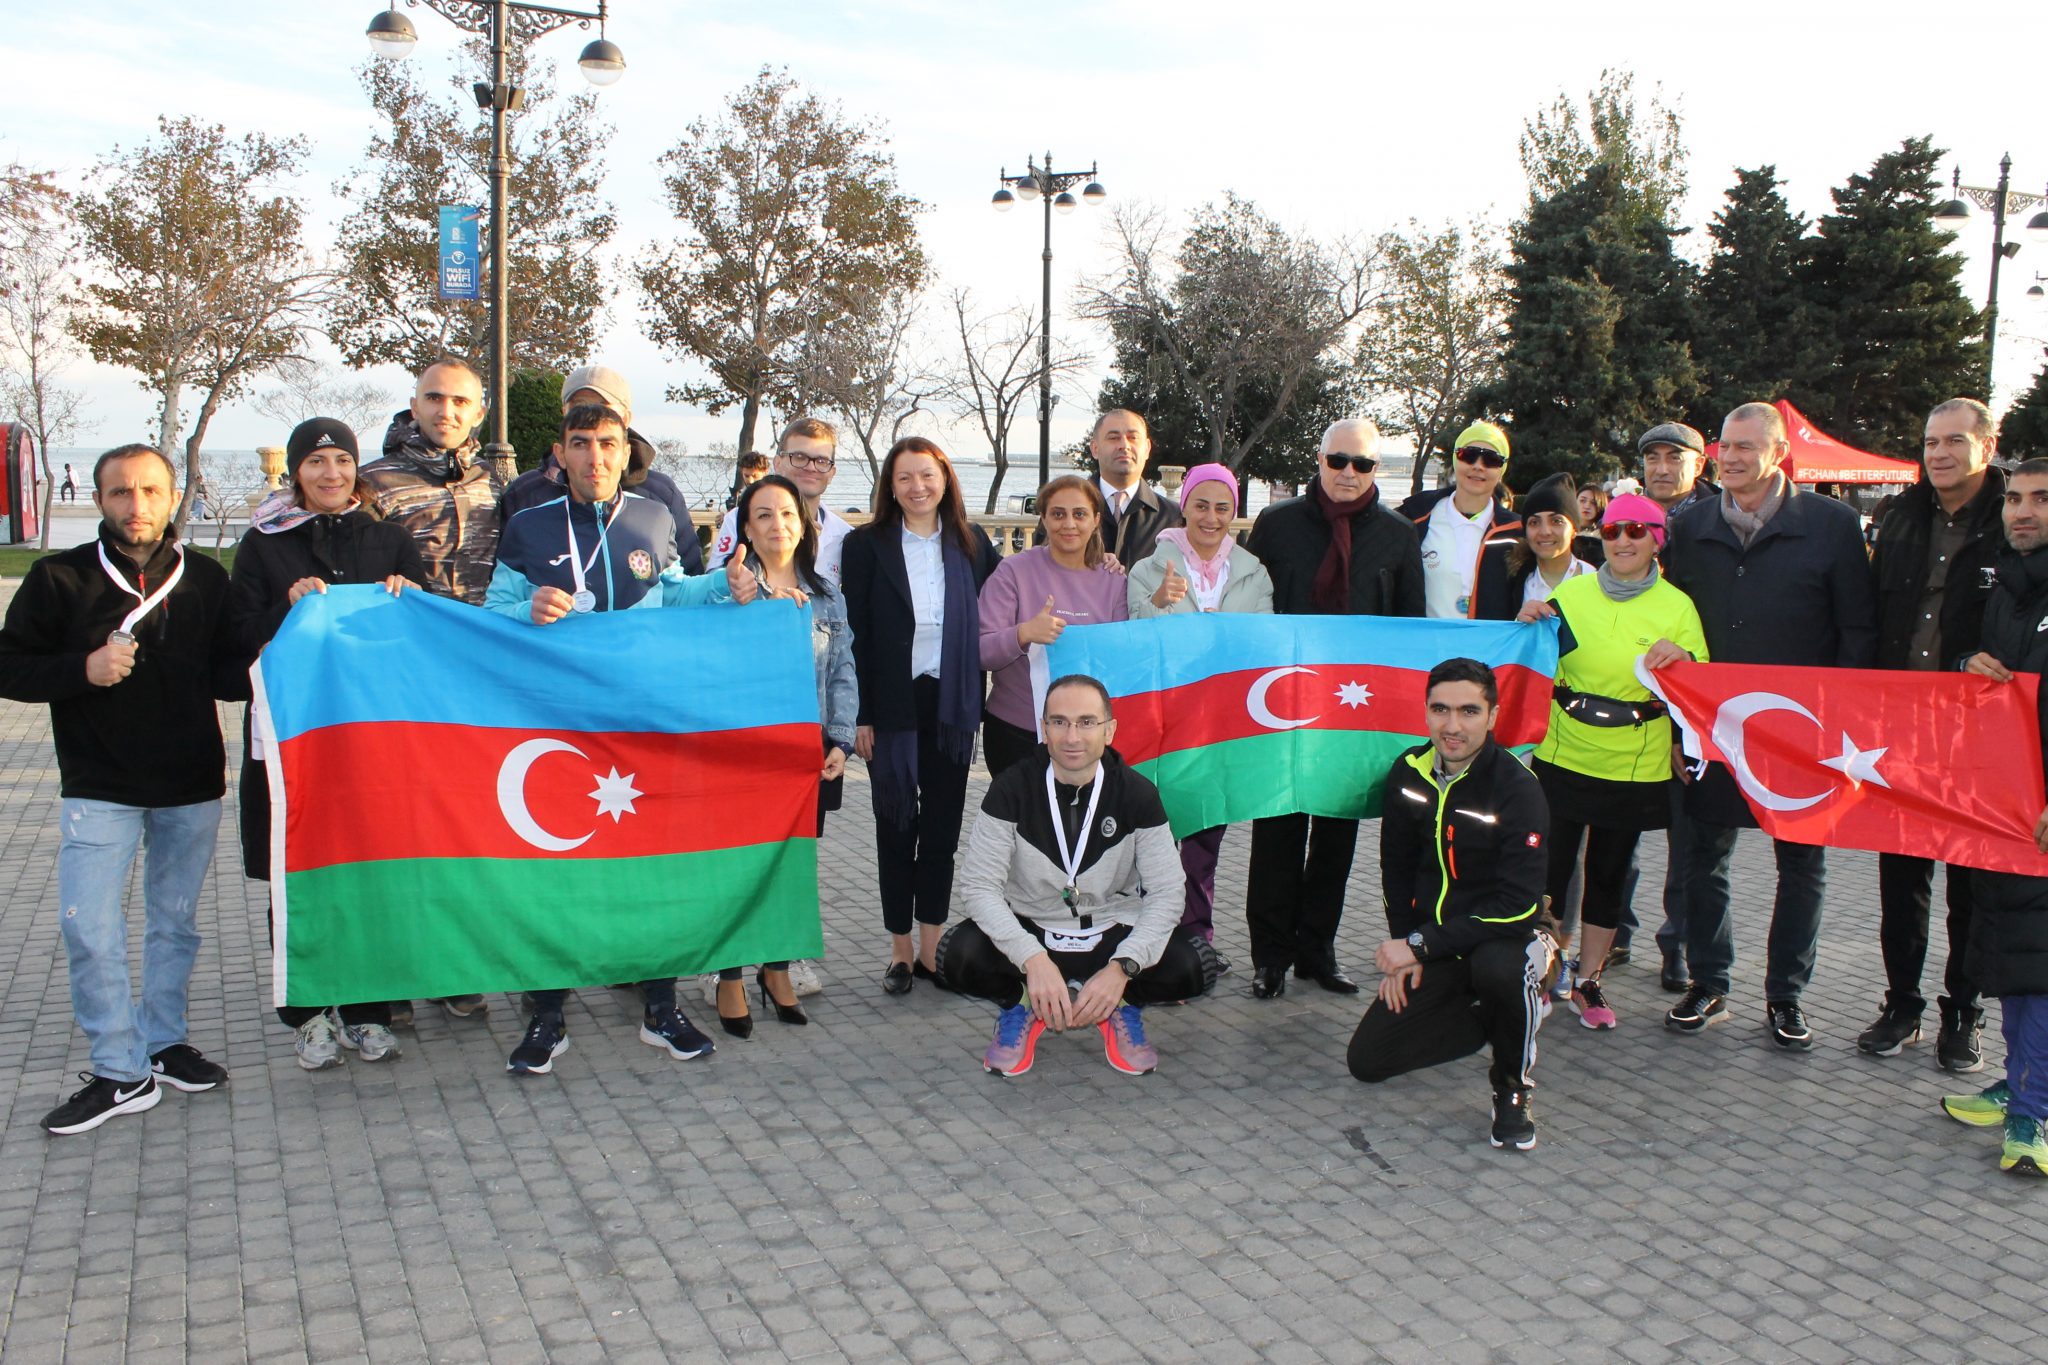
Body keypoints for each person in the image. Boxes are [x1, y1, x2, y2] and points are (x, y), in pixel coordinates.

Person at [485, 403, 741, 1076]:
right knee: (554, 866)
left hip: (639, 723)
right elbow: (491, 611)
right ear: (560, 453)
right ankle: (547, 1014)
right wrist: (525, 609)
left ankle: (661, 1007)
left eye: (607, 444)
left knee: (651, 866)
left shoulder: (654, 517)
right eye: (581, 443)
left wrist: (726, 585)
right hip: (558, 722)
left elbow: (675, 594)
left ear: (626, 452)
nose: (595, 457)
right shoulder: (528, 523)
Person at [0, 444, 245, 1134]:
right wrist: (82, 668)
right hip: (98, 784)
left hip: (190, 780)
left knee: (175, 922)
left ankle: (163, 1041)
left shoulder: (205, 577)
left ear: (174, 497)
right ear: (98, 499)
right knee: (88, 925)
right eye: (120, 492)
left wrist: (292, 637)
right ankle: (119, 1069)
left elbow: (228, 672)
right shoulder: (58, 577)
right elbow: (8, 665)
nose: (136, 505)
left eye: (150, 491)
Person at [1663, 401, 1877, 1048]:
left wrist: (1841, 728)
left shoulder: (1832, 524)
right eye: (1724, 446)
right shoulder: (1691, 524)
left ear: (1780, 454)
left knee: (1802, 865)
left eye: (1745, 447)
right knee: (1704, 859)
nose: (1729, 458)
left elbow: (1857, 629)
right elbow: (1671, 623)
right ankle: (1708, 982)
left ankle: (1786, 995)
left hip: (1802, 731)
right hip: (1714, 728)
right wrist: (1678, 727)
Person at [227, 418, 426, 1069]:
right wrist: (285, 611)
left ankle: (367, 1012)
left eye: (342, 459)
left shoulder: (390, 540)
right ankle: (308, 1015)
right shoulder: (263, 545)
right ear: (296, 472)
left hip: (369, 744)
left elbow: (422, 641)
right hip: (293, 743)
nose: (331, 473)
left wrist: (412, 601)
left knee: (369, 872)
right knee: (295, 877)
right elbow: (235, 639)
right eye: (316, 462)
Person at [941, 674, 1212, 1077]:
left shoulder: (1138, 794)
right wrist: (1031, 958)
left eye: (1086, 722)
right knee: (955, 954)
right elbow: (979, 886)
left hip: (1110, 932)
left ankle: (1119, 1004)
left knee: (1196, 964)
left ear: (1109, 730)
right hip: (1033, 929)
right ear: (1044, 729)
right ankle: (1021, 1003)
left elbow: (1168, 892)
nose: (1072, 736)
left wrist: (1124, 967)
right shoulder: (1010, 789)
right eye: (1059, 722)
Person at [1243, 419, 1425, 998]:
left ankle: (1317, 951)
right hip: (1282, 702)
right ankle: (1270, 957)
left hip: (1355, 712)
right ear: (1319, 460)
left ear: (1377, 469)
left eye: (1362, 464)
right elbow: (1244, 607)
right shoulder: (1276, 525)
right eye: (1338, 460)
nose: (1349, 473)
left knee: (1337, 838)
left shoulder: (1398, 536)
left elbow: (1411, 629)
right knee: (1277, 830)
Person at [1347, 658, 1555, 1150]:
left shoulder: (1517, 787)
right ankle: (1497, 1015)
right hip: (1437, 943)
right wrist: (1406, 946)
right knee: (1369, 1062)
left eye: (1468, 711)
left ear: (1492, 715)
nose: (1452, 725)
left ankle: (1512, 1086)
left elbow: (1519, 904)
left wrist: (1420, 945)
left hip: (1510, 935)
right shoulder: (1408, 771)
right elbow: (1396, 871)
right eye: (1440, 709)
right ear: (1425, 711)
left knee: (1499, 969)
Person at [1520, 495, 1706, 1030]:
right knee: (1549, 872)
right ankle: (1544, 973)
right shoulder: (1571, 593)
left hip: (1633, 761)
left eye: (1636, 531)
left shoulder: (1678, 606)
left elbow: (1699, 685)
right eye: (1612, 531)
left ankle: (1588, 979)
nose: (1623, 541)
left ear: (1657, 540)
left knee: (1608, 875)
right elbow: (1533, 657)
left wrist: (1685, 659)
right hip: (1562, 754)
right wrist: (1527, 621)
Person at [1858, 398, 2005, 1068]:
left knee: (1969, 885)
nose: (1939, 453)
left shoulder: (2011, 518)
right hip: (1901, 728)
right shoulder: (1901, 514)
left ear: (1986, 446)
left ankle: (1963, 1012)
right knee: (1901, 878)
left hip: (1978, 733)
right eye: (1929, 442)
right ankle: (1901, 1005)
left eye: (1954, 441)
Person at [358, 355, 504, 1025]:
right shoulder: (373, 482)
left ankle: (450, 967)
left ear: (479, 412)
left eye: (460, 401)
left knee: (463, 830)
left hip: (475, 683)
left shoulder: (499, 484)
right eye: (434, 398)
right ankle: (390, 972)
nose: (447, 410)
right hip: (401, 682)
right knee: (399, 830)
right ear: (414, 404)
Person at [841, 438, 1001, 995]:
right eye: (905, 477)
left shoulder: (971, 542)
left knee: (940, 833)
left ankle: (933, 949)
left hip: (952, 706)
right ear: (890, 485)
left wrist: (1100, 560)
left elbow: (1012, 592)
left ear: (945, 479)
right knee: (895, 829)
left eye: (927, 475)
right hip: (890, 705)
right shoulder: (867, 545)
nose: (917, 487)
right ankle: (900, 951)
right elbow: (854, 634)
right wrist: (859, 715)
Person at [710, 474, 855, 1036]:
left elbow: (842, 670)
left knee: (792, 867)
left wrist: (840, 739)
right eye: (764, 515)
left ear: (804, 524)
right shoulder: (728, 593)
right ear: (746, 529)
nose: (778, 525)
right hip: (743, 755)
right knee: (738, 867)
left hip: (805, 752)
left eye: (788, 513)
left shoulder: (827, 595)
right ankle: (729, 975)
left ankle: (775, 970)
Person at [1127, 462, 1273, 973]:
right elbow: (1135, 644)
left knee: (1205, 840)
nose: (1211, 518)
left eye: (1222, 508)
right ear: (1184, 507)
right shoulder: (1148, 570)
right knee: (1156, 837)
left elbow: (1263, 646)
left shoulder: (1254, 573)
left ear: (1235, 512)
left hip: (1222, 728)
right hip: (1165, 725)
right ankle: (1150, 939)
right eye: (1201, 506)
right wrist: (1157, 604)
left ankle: (1196, 941)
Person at [1944, 456, 2048, 1176]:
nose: (2022, 511)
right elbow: (1985, 677)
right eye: (2014, 499)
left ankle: (2033, 1112)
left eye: (2041, 499)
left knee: (2040, 967)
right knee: (2012, 953)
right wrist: (1965, 666)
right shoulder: (2007, 586)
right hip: (2004, 805)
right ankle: (2020, 1079)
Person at [978, 475, 1130, 779]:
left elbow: (1124, 658)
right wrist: (1024, 634)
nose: (1069, 524)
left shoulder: (1114, 581)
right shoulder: (1013, 571)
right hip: (1017, 732)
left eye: (1080, 514)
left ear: (1096, 520)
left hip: (1087, 738)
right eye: (1058, 514)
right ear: (1044, 519)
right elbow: (981, 651)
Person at [499, 363, 703, 574]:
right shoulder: (526, 493)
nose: (591, 413)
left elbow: (687, 577)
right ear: (564, 413)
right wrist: (532, 597)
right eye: (578, 406)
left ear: (625, 418)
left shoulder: (661, 495)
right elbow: (505, 581)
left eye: (604, 406)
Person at [707, 418, 854, 589]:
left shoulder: (845, 536)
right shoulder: (737, 520)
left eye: (822, 461)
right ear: (777, 463)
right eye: (799, 457)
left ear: (832, 473)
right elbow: (712, 584)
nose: (811, 467)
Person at [1400, 421, 1524, 620]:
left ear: (1502, 469)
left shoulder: (1516, 531)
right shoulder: (1415, 516)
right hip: (1426, 638)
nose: (1478, 466)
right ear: (1455, 459)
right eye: (1468, 455)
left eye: (1491, 460)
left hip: (1487, 640)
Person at [1471, 472, 1591, 621]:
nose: (1545, 532)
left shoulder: (1596, 580)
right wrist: (1519, 626)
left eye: (1556, 521)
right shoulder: (1513, 585)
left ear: (1574, 529)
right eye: (1534, 522)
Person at [1090, 409, 1182, 566]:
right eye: (1113, 438)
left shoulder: (1173, 518)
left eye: (1133, 438)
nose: (1124, 445)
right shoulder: (1064, 511)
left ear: (1147, 448)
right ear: (1095, 448)